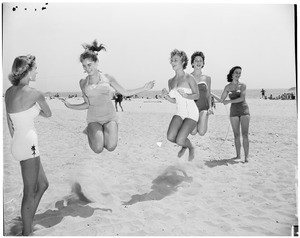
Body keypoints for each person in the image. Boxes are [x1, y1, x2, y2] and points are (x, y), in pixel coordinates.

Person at [61, 40, 155, 154]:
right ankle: (90, 131)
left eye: (89, 64)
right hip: (93, 118)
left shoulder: (108, 78)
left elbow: (125, 92)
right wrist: (69, 105)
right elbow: (87, 104)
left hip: (110, 117)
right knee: (98, 149)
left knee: (111, 147)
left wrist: (143, 88)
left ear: (96, 62)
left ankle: (109, 129)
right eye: (84, 66)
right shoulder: (83, 83)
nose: (87, 68)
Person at [5, 55, 52, 235]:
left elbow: (10, 122)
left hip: (17, 142)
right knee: (29, 191)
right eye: (35, 68)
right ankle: (27, 232)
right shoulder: (35, 93)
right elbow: (48, 114)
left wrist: (18, 143)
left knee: (43, 185)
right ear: (27, 70)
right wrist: (35, 110)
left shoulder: (9, 92)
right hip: (28, 144)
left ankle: (28, 219)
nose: (37, 71)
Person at [162, 49, 199, 161]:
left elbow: (197, 95)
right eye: (172, 60)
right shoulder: (171, 81)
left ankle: (190, 147)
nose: (173, 62)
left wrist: (186, 96)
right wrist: (166, 96)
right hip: (180, 112)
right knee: (170, 137)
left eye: (175, 60)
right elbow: (174, 100)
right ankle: (184, 145)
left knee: (179, 140)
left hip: (191, 113)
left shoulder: (189, 78)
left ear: (183, 61)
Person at [213, 66, 250, 163]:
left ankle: (246, 157)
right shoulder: (227, 87)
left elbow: (242, 98)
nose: (238, 75)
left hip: (244, 110)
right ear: (232, 74)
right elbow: (221, 100)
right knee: (236, 135)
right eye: (236, 73)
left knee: (245, 134)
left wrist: (229, 101)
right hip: (233, 111)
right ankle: (238, 155)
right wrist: (210, 94)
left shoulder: (243, 85)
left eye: (239, 73)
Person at [190, 51, 213, 136]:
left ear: (203, 63)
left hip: (204, 107)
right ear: (192, 63)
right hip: (192, 109)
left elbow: (208, 94)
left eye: (201, 60)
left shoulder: (207, 78)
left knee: (202, 132)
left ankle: (205, 116)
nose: (198, 62)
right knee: (193, 132)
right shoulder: (187, 77)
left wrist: (210, 107)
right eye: (196, 60)